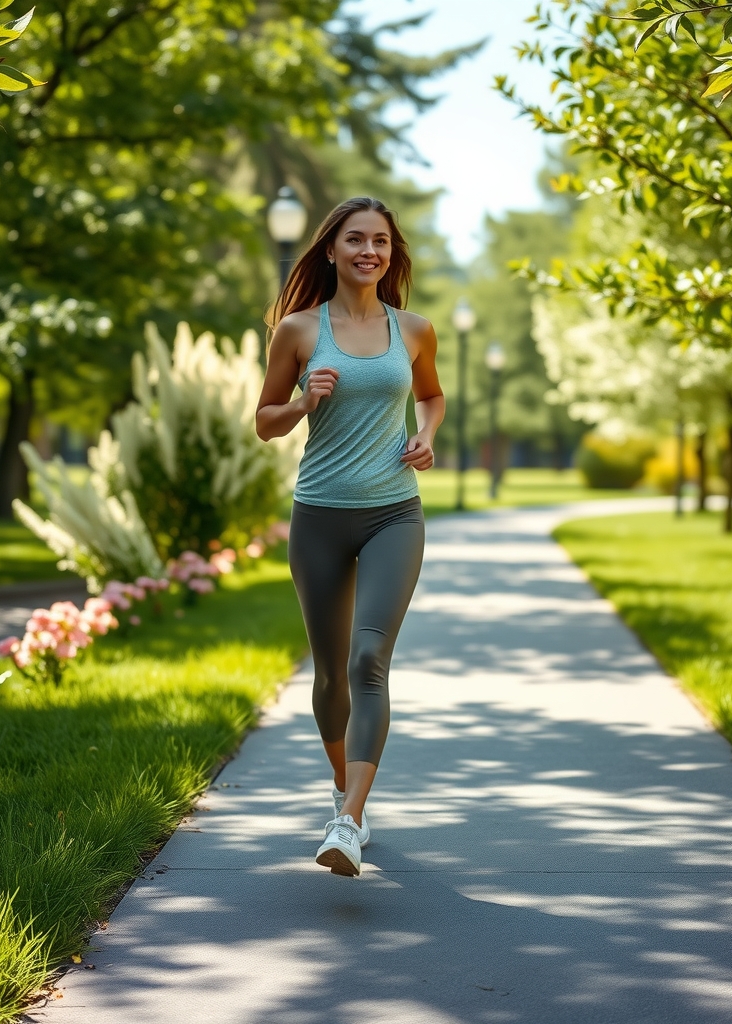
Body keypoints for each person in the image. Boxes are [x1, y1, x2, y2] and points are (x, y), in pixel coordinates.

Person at [256, 196, 445, 877]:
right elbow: (265, 421)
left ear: (393, 256)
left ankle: (350, 818)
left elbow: (431, 394)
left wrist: (425, 436)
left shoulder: (415, 329)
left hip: (395, 511)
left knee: (370, 661)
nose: (370, 251)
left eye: (382, 243)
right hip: (320, 516)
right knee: (331, 671)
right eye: (357, 239)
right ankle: (343, 787)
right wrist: (305, 401)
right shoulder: (300, 332)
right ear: (331, 249)